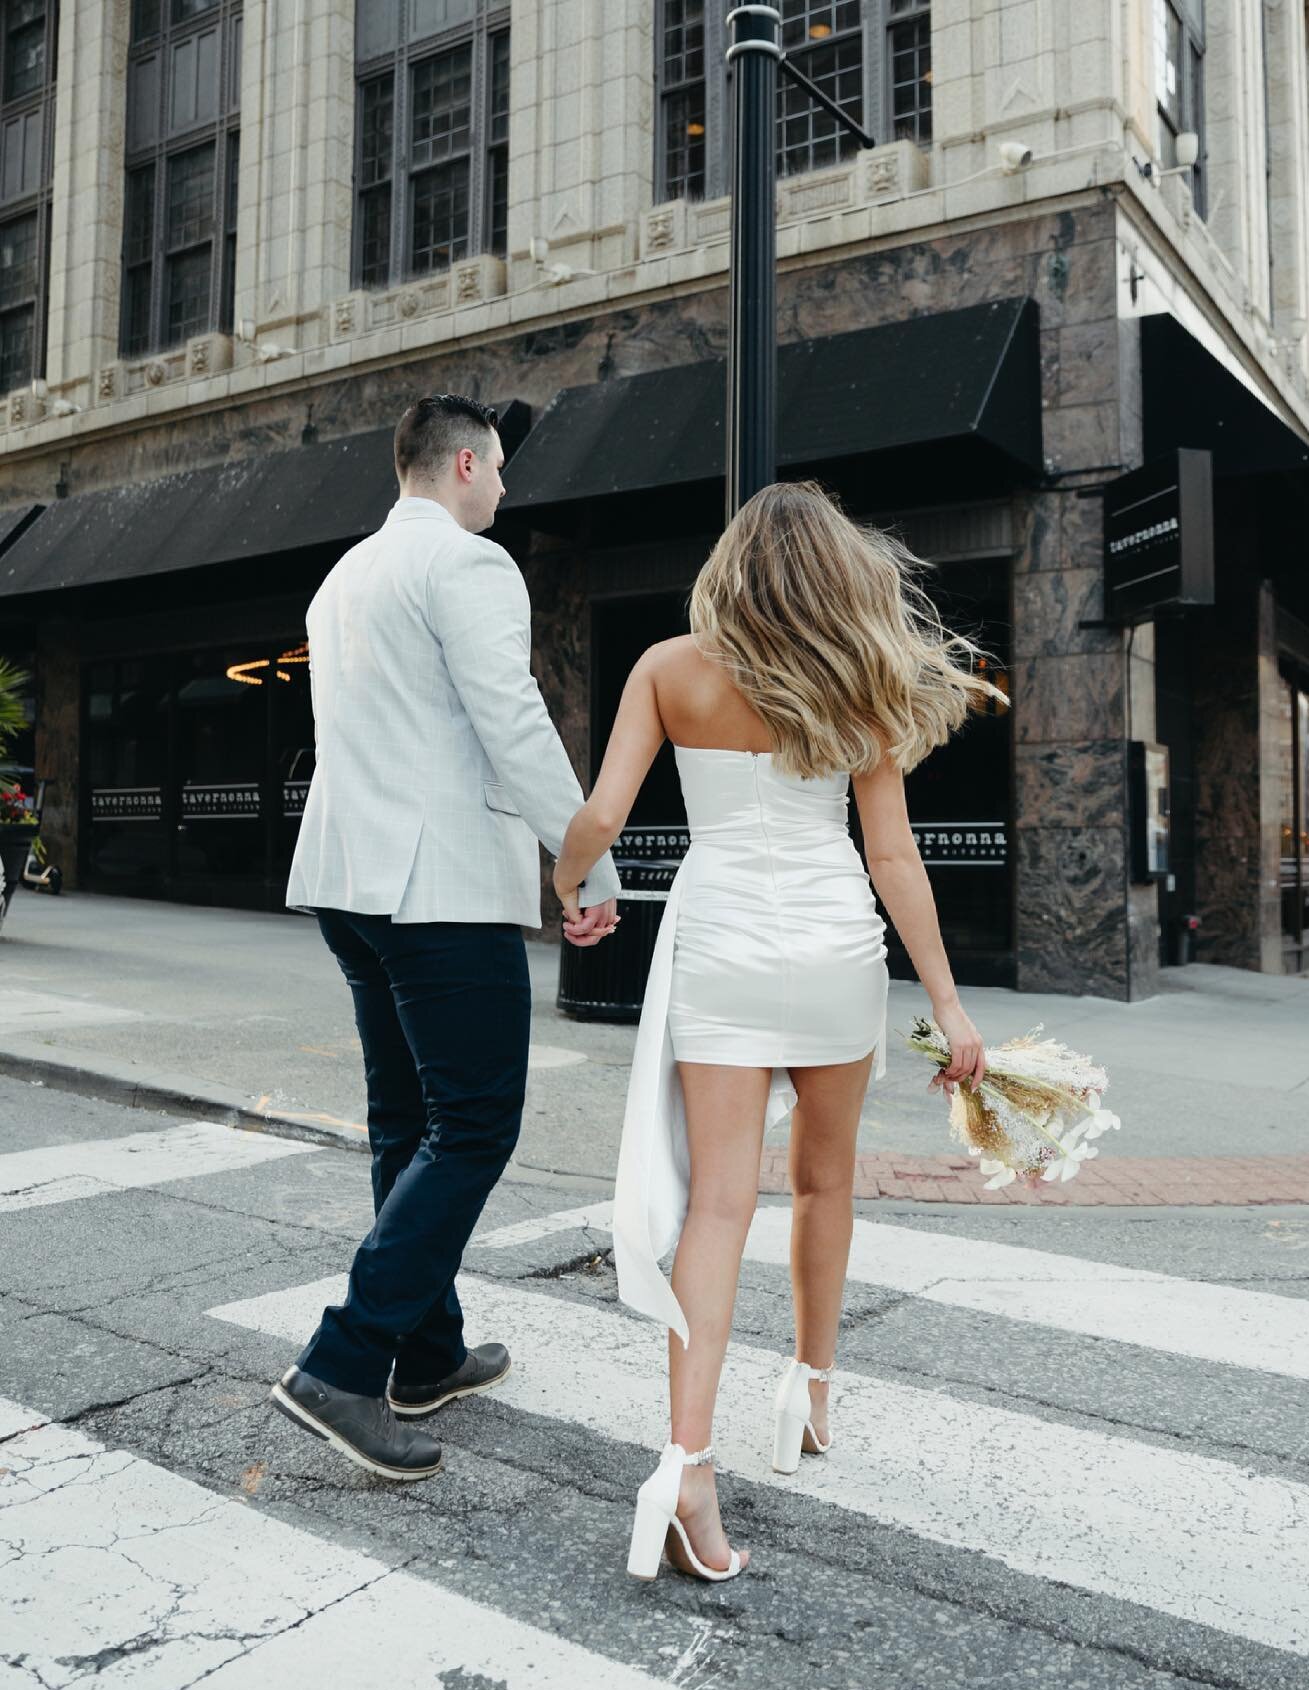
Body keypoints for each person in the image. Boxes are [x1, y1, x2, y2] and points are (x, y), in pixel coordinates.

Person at [551, 480, 995, 1581]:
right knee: (827, 1182)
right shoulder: (861, 678)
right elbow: (892, 855)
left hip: (724, 953)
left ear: (732, 567)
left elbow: (603, 817)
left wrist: (570, 884)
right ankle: (811, 1392)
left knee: (717, 1202)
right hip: (836, 948)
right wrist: (946, 999)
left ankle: (688, 1464)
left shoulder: (669, 668)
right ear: (838, 574)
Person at [273, 394, 620, 1481]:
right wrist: (584, 863)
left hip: (350, 881)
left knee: (406, 1120)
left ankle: (427, 1353)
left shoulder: (344, 578)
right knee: (472, 1126)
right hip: (436, 891)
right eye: (501, 470)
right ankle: (343, 1363)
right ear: (465, 463)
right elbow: (512, 721)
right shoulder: (470, 567)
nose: (507, 490)